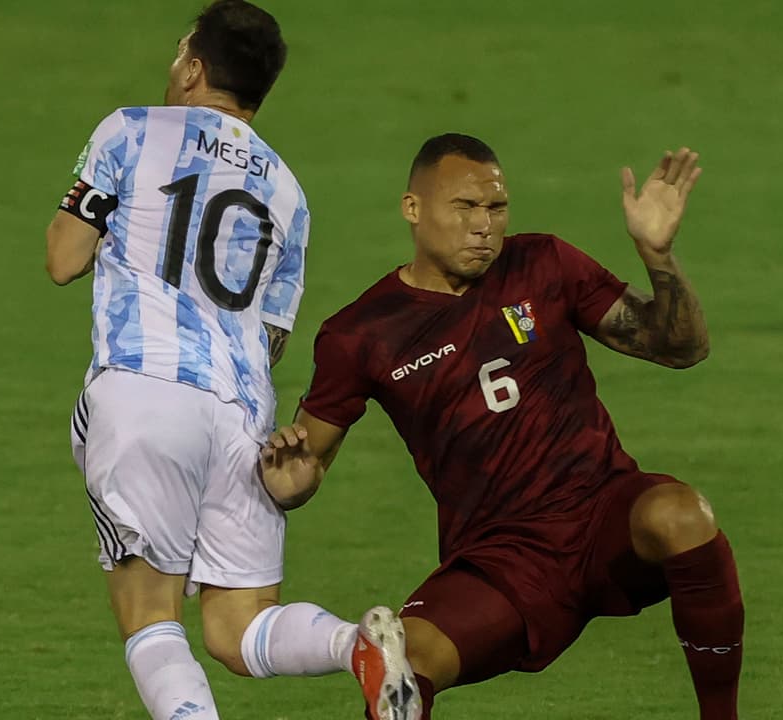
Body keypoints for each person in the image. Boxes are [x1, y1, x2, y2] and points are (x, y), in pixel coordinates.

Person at [260, 133, 744, 718]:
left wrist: (658, 255)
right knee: (403, 666)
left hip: (601, 513)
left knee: (681, 514)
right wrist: (290, 480)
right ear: (413, 208)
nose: (483, 226)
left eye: (496, 207)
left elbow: (681, 348)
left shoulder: (543, 263)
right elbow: (306, 464)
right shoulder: (361, 332)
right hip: (502, 557)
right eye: (465, 207)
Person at [44, 2, 419, 719]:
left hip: (144, 391)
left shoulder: (130, 131)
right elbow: (271, 338)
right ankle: (354, 646)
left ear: (193, 69)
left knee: (149, 616)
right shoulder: (289, 194)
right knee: (237, 627)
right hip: (242, 417)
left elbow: (64, 259)